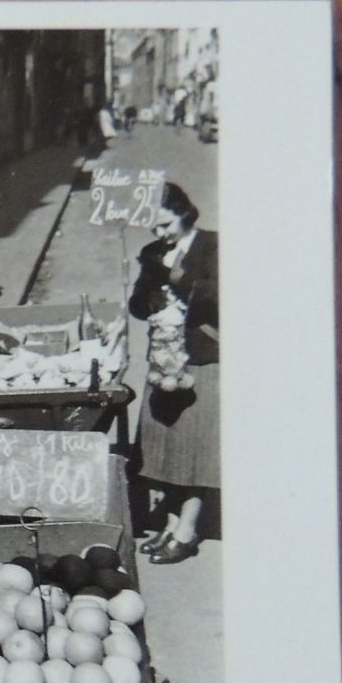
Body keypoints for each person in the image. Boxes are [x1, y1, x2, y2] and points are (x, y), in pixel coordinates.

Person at [129, 182, 219, 565]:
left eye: (165, 224)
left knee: (196, 450)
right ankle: (168, 523)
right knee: (164, 445)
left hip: (201, 357)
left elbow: (221, 295)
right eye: (154, 228)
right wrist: (150, 284)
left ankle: (188, 529)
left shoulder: (213, 246)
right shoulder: (153, 252)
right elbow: (137, 306)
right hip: (164, 360)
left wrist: (177, 277)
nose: (160, 234)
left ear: (183, 213)